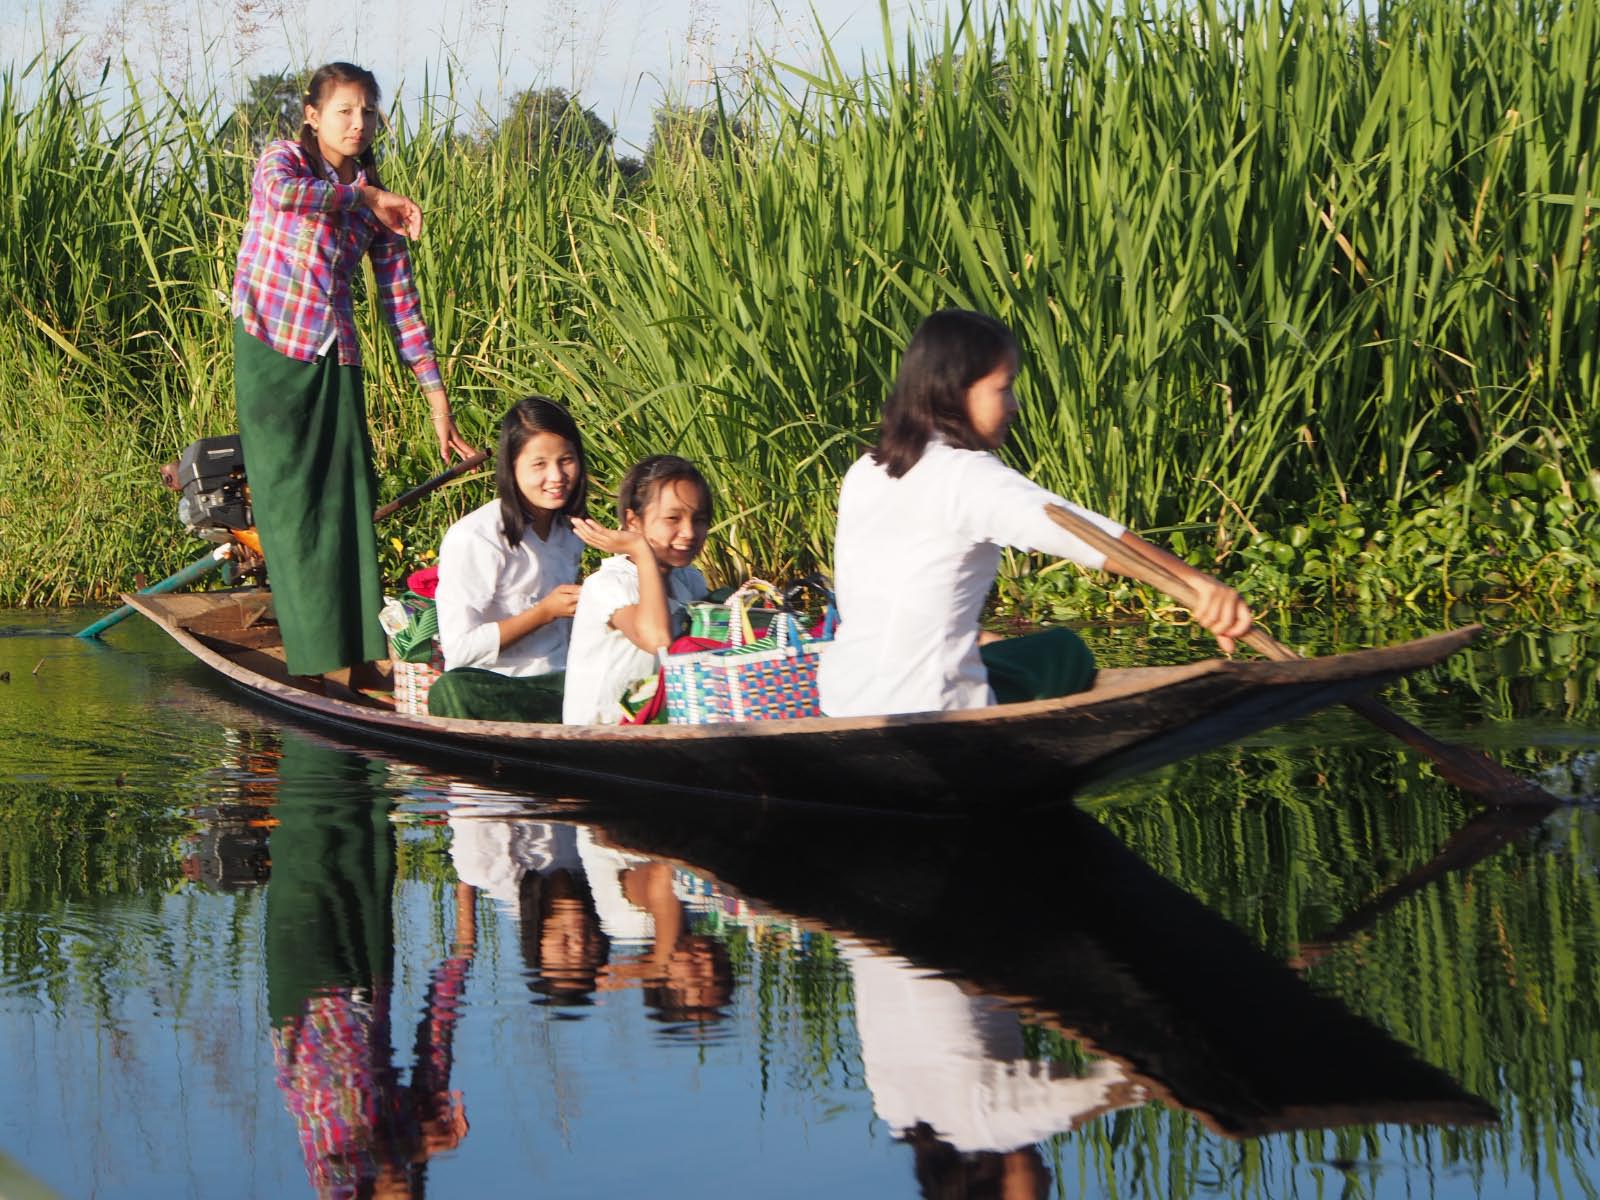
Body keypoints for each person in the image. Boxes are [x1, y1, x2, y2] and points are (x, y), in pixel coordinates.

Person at [818, 308, 1254, 718]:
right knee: (1065, 651)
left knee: (1005, 650)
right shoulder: (967, 476)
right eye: (1003, 388)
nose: (1014, 405)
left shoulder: (867, 470)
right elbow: (1085, 534)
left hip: (843, 699)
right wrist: (1199, 586)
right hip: (929, 704)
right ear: (956, 390)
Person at [232, 61, 472, 695]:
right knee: (292, 506)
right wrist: (367, 196)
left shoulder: (377, 200)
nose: (358, 123)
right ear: (313, 117)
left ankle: (361, 652)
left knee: (348, 502)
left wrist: (435, 395)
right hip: (272, 349)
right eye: (344, 111)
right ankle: (313, 655)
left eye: (367, 111)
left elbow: (400, 300)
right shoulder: (283, 163)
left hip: (336, 356)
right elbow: (288, 198)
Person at [427, 397, 587, 721]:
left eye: (566, 460)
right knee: (451, 691)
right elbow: (460, 650)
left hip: (565, 684)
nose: (556, 477)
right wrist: (544, 613)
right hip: (502, 688)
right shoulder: (477, 536)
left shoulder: (571, 532)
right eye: (539, 465)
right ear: (512, 467)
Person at [561, 456, 713, 725]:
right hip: (601, 736)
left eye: (699, 519)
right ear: (633, 522)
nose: (689, 532)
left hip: (655, 726)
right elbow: (657, 640)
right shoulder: (608, 585)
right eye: (672, 518)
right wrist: (641, 551)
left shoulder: (689, 581)